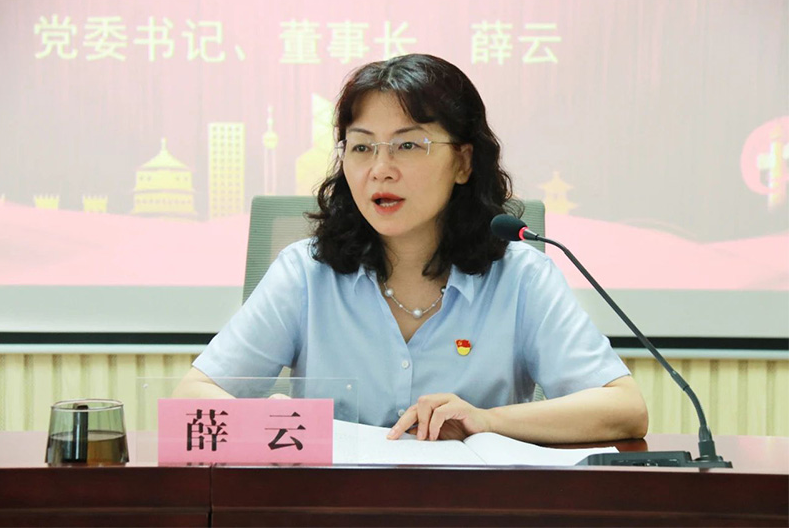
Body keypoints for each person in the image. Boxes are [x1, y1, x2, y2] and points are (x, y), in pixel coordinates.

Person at [174, 53, 648, 444]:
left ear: (463, 162)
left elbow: (625, 409)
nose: (380, 169)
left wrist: (486, 420)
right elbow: (191, 396)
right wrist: (260, 420)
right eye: (362, 147)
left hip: (472, 510)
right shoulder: (306, 273)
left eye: (407, 146)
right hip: (332, 509)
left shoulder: (520, 277)